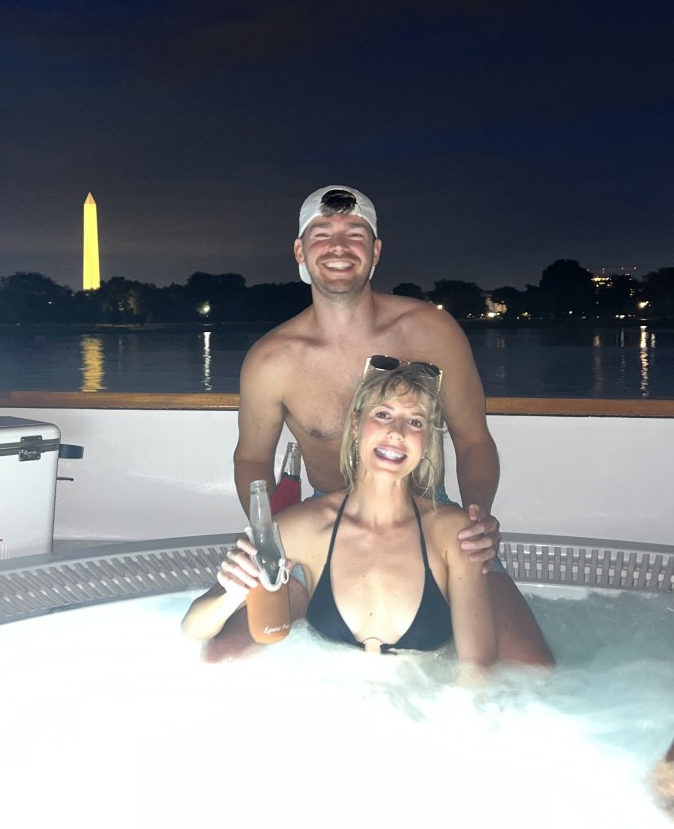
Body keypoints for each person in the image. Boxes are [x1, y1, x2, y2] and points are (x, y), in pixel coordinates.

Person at [233, 184, 553, 665]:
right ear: (300, 251)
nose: (339, 247)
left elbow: (473, 439)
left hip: (431, 512)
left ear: (376, 250)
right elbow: (252, 457)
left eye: (355, 233)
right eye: (322, 234)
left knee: (533, 670)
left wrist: (477, 515)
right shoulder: (272, 359)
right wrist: (270, 539)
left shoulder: (431, 331)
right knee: (224, 656)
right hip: (322, 524)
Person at [183, 363, 498, 667]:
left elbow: (477, 670)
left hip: (426, 703)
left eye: (415, 422)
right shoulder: (301, 526)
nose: (397, 432)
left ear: (427, 441)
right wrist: (232, 594)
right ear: (357, 425)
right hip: (334, 703)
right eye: (383, 415)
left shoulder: (455, 533)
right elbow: (193, 627)